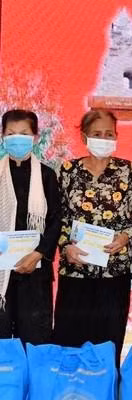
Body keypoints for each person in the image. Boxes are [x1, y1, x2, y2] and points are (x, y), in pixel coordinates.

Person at [53, 109, 132, 367]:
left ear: (116, 136)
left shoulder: (127, 170)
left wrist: (125, 237)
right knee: (69, 341)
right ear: (84, 137)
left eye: (108, 134)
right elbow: (57, 217)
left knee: (108, 342)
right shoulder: (68, 170)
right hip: (76, 270)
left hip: (114, 273)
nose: (103, 139)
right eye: (96, 134)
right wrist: (65, 246)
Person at [0, 109, 61, 345]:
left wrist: (38, 254)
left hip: (35, 271)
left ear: (35, 137)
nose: (17, 139)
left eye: (23, 133)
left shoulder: (46, 174)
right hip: (2, 273)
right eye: (11, 133)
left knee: (35, 340)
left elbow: (56, 219)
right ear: (3, 136)